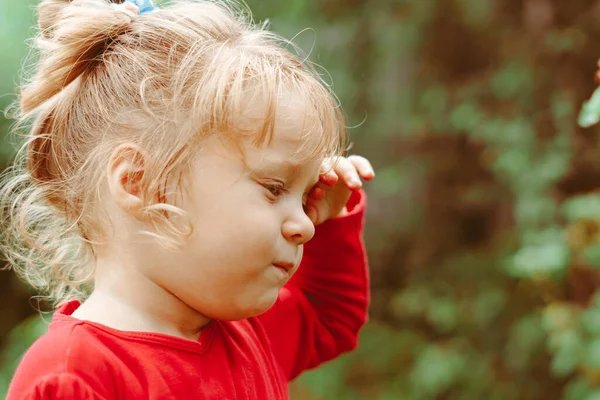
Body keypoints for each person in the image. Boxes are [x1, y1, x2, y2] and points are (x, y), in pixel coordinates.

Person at [1, 0, 374, 398]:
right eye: (274, 188)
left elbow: (328, 315)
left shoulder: (247, 329)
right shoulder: (74, 376)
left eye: (302, 200)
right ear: (142, 184)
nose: (303, 225)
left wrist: (329, 221)